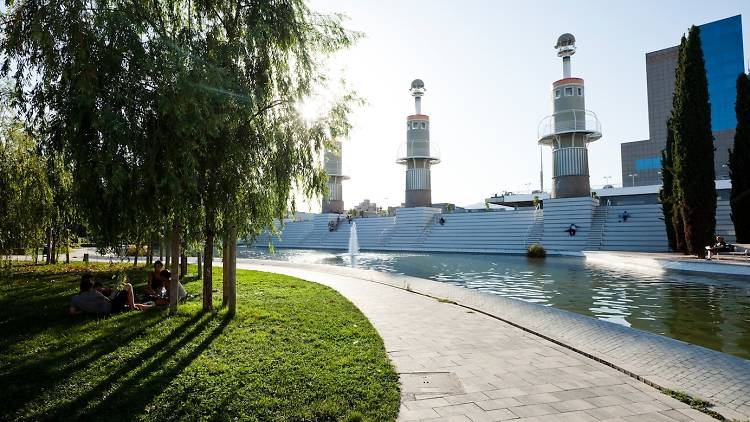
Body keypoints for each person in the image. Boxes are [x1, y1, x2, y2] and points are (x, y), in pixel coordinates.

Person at [69, 273, 147, 315]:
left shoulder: (75, 299)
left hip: (106, 310)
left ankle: (150, 306)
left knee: (131, 305)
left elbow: (72, 312)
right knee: (128, 286)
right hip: (111, 309)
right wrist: (115, 291)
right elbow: (109, 300)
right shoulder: (95, 293)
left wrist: (84, 311)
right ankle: (135, 307)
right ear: (90, 287)